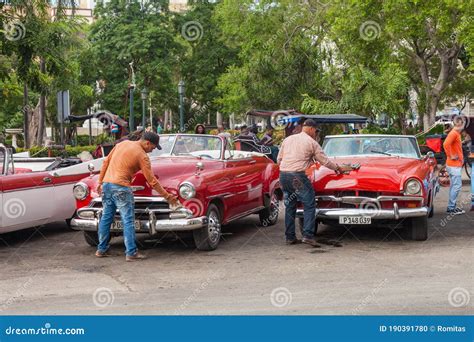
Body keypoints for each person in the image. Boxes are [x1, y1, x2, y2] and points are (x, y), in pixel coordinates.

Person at [96, 131, 179, 261]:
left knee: (106, 217)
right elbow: (152, 181)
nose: (152, 151)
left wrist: (100, 182)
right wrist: (167, 196)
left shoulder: (122, 144)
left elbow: (105, 162)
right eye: (152, 147)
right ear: (147, 143)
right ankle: (131, 252)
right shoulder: (142, 156)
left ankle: (101, 249)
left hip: (107, 184)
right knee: (128, 220)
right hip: (122, 187)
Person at [277, 119, 352, 246]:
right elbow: (325, 162)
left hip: (284, 175)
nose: (315, 133)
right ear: (312, 129)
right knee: (309, 204)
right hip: (298, 176)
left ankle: (290, 237)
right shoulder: (312, 142)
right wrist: (338, 169)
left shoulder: (288, 139)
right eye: (316, 131)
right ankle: (308, 235)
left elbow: (279, 159)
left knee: (290, 206)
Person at [443, 119, 466, 215]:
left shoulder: (456, 133)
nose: (464, 127)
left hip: (454, 165)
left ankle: (452, 207)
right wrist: (451, 155)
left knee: (454, 186)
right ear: (460, 125)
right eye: (463, 125)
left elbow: (453, 146)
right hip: (453, 165)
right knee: (457, 186)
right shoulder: (454, 133)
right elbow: (445, 144)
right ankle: (451, 208)